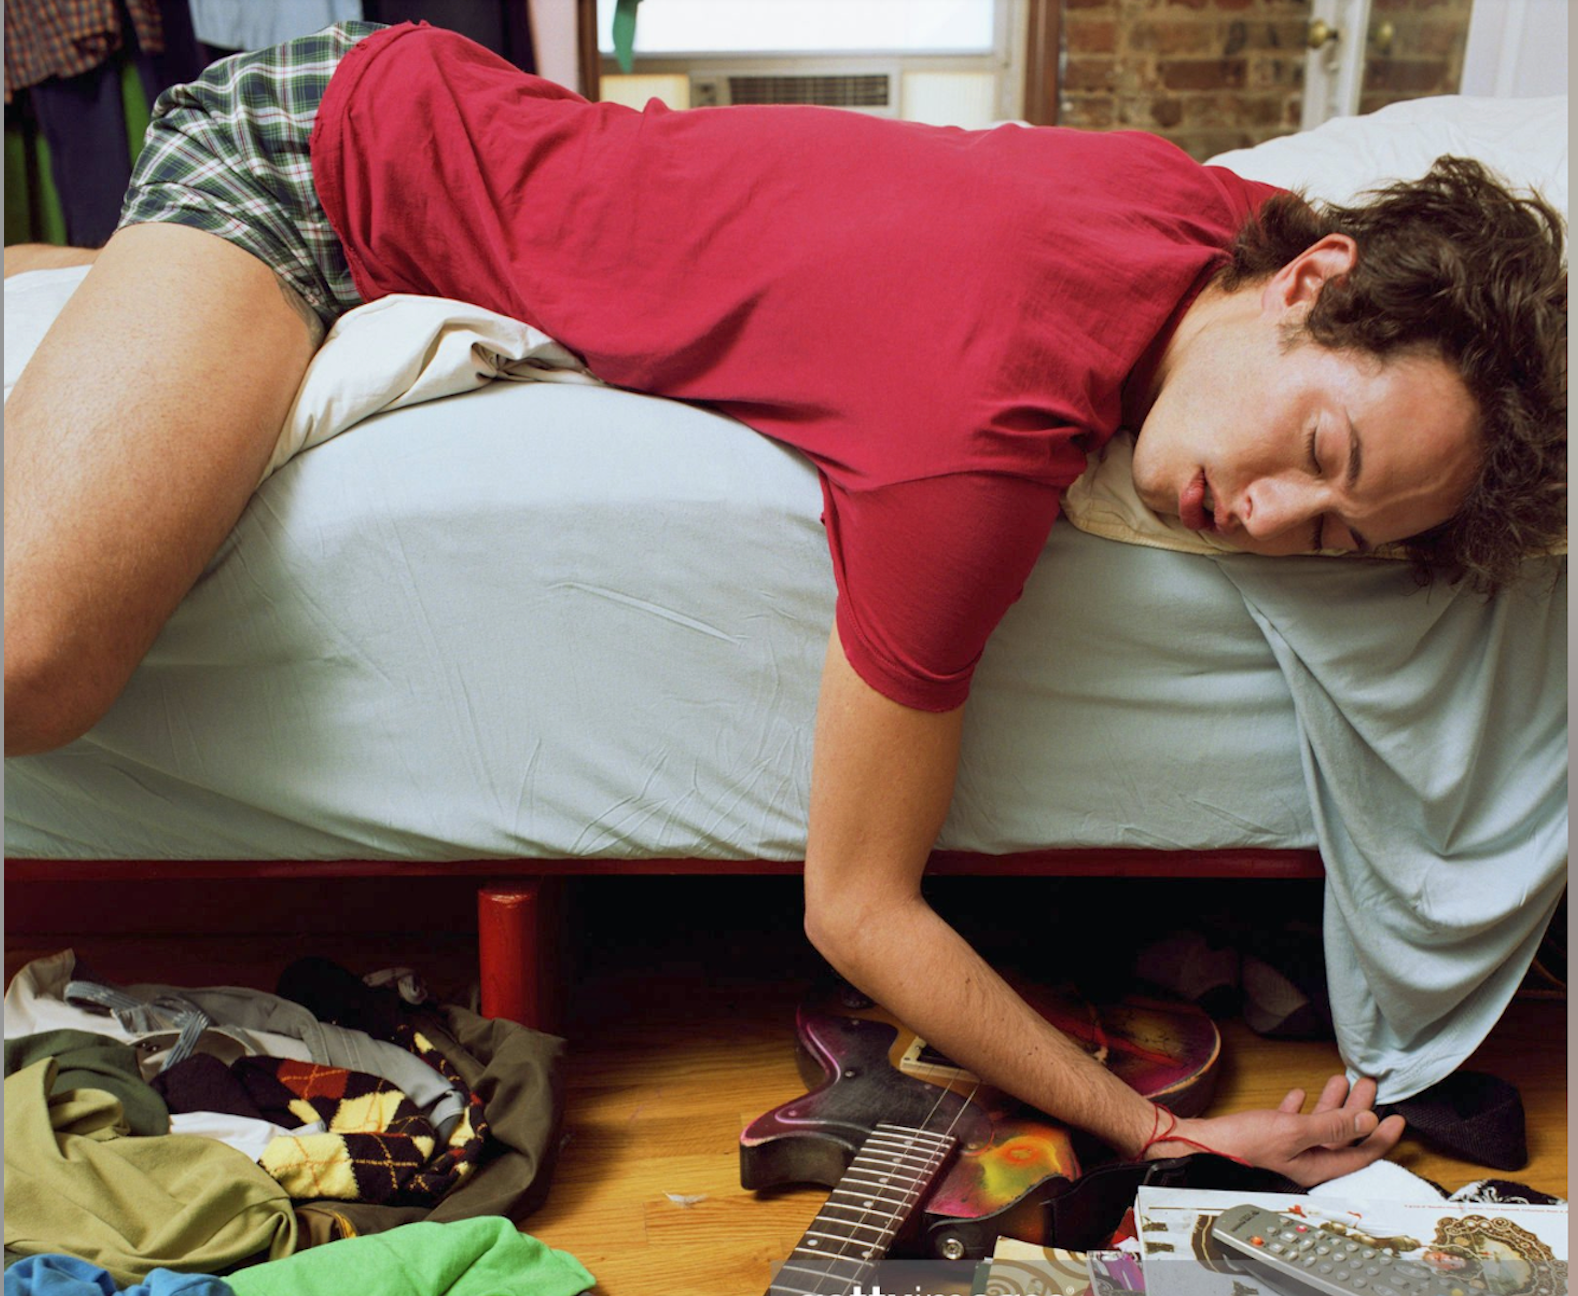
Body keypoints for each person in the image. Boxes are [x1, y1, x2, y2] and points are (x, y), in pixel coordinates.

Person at [4, 21, 1565, 1187]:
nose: (1271, 519)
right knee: (34, 672)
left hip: (479, 136)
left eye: (1333, 539)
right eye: (1318, 453)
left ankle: (78, 282)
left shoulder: (1205, 212)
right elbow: (856, 908)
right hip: (318, 153)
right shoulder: (973, 446)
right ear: (1309, 280)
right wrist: (1157, 1132)